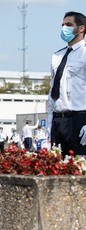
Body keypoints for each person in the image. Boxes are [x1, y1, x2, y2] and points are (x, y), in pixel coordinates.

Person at [48, 11, 86, 156]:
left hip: (79, 119)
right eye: (63, 25)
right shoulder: (57, 56)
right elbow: (52, 91)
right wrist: (50, 123)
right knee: (56, 167)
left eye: (69, 25)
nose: (64, 28)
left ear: (81, 28)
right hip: (58, 121)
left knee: (78, 168)